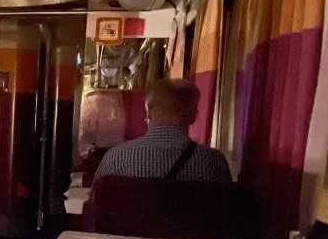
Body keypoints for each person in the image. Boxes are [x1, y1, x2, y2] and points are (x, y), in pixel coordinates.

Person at [94, 78, 231, 182]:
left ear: (149, 113)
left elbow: (97, 205)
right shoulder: (215, 162)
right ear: (193, 116)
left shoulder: (116, 158)